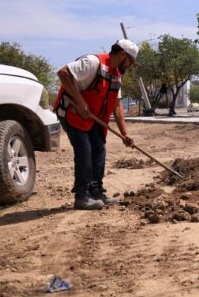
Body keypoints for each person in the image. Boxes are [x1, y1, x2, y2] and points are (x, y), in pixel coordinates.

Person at [53, 39, 138, 210]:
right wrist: (80, 101)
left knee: (99, 149)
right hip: (72, 113)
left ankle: (96, 191)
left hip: (92, 119)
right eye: (130, 62)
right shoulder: (93, 63)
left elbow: (116, 106)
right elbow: (63, 73)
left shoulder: (116, 76)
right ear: (123, 55)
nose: (129, 66)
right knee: (85, 150)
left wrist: (124, 133)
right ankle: (82, 197)